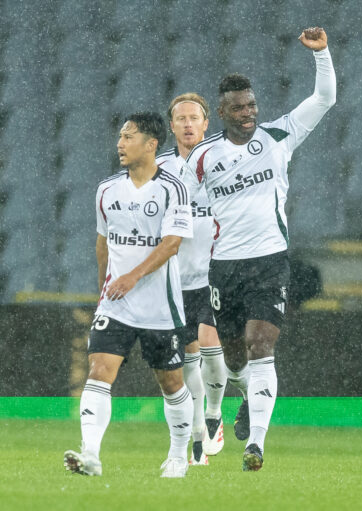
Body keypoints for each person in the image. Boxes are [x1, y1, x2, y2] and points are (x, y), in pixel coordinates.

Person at [181, 27, 336, 471]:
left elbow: (324, 98)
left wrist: (322, 54)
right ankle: (248, 394)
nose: (248, 112)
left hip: (269, 262)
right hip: (223, 268)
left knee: (260, 343)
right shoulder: (201, 159)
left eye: (251, 105)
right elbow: (183, 211)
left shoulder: (277, 136)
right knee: (231, 357)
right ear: (223, 112)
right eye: (239, 107)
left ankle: (257, 446)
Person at [64, 112, 194, 478]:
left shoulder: (173, 188)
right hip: (117, 304)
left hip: (160, 307)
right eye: (120, 137)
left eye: (129, 137)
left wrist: (132, 277)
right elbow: (103, 243)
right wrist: (105, 286)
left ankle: (179, 454)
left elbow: (171, 245)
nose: (120, 144)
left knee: (171, 383)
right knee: (99, 371)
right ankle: (90, 455)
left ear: (151, 144)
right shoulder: (107, 189)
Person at [155, 93, 228, 465]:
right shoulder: (159, 168)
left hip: (212, 274)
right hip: (175, 280)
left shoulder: (222, 161)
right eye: (180, 118)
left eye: (193, 118)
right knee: (188, 360)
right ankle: (201, 429)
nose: (187, 124)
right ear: (171, 126)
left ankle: (214, 414)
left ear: (205, 124)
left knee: (213, 348)